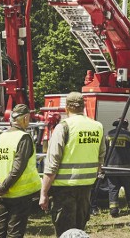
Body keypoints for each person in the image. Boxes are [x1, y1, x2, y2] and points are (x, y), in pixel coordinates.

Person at [40, 92, 104, 237]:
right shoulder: (97, 126)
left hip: (64, 189)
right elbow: (101, 157)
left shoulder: (63, 127)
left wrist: (43, 193)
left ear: (66, 108)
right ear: (83, 106)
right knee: (79, 232)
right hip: (86, 188)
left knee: (65, 233)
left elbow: (52, 164)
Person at [0, 104, 41, 238]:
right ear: (26, 118)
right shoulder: (23, 138)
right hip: (20, 195)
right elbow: (18, 168)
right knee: (15, 233)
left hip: (2, 195)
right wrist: (2, 188)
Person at [105, 119, 130, 217]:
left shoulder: (109, 134)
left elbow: (105, 149)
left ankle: (114, 210)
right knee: (129, 188)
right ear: (126, 125)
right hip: (125, 169)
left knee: (113, 189)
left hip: (110, 168)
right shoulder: (128, 135)